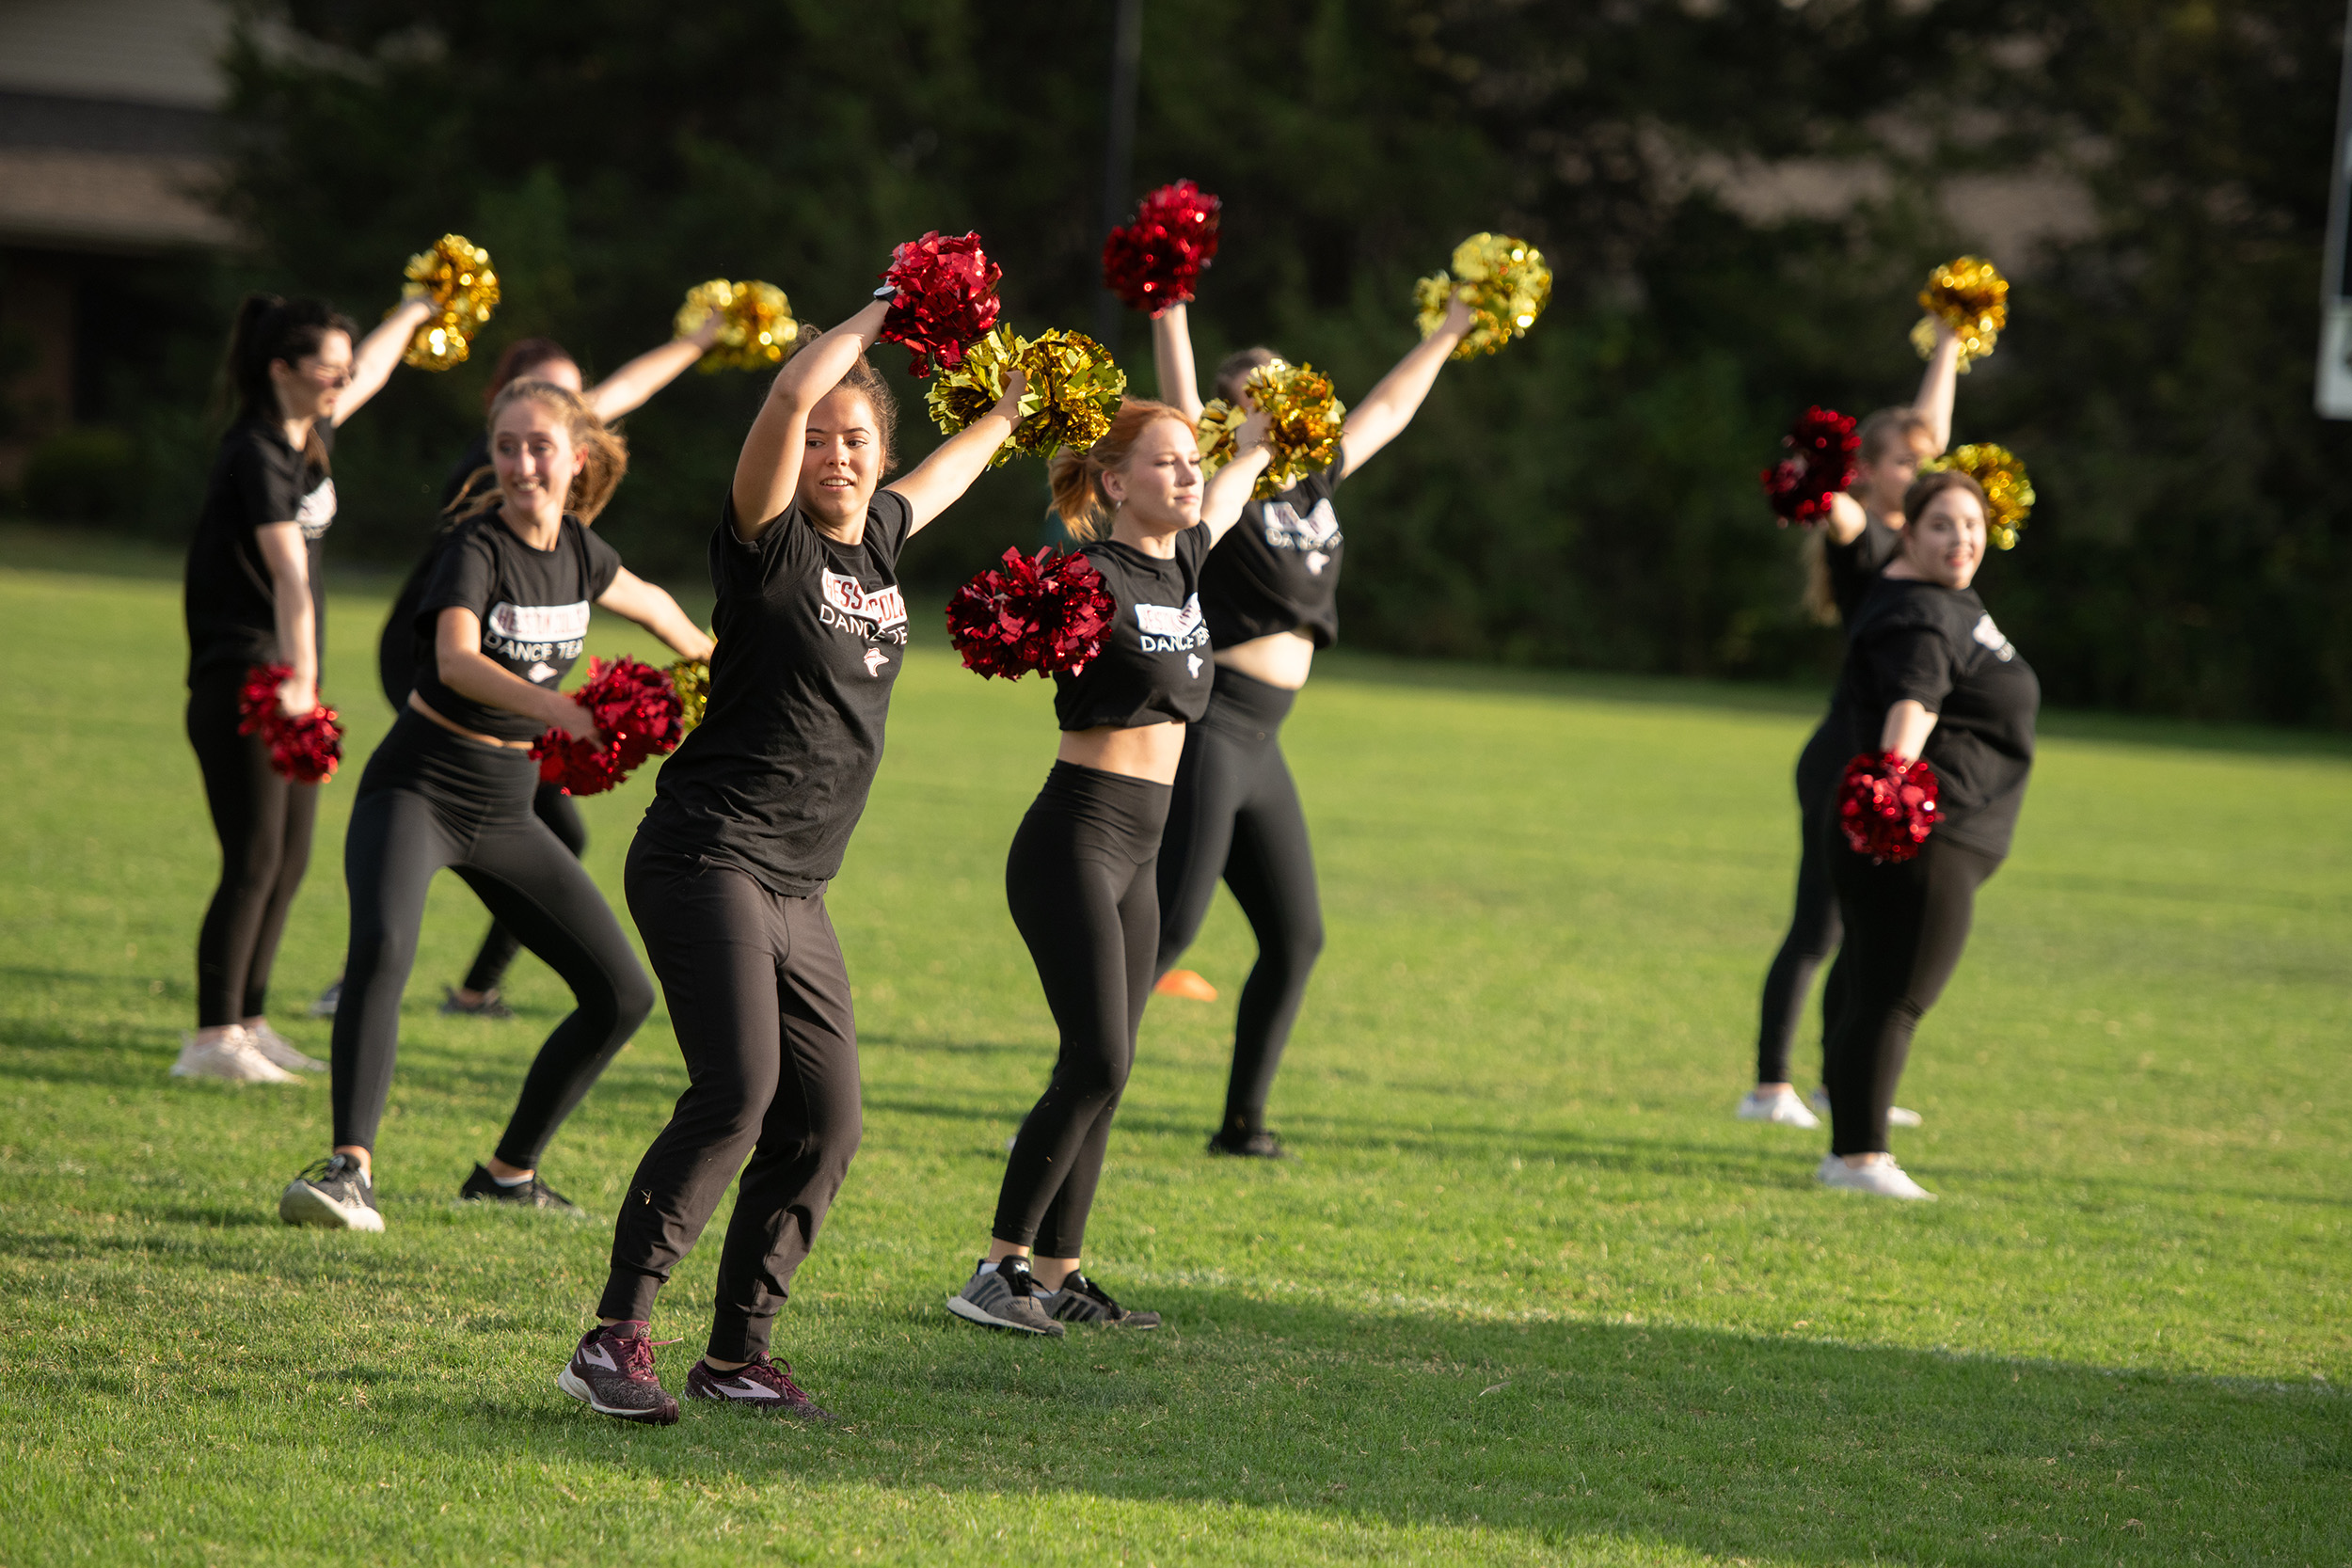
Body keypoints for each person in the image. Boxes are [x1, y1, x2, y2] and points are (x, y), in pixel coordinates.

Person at [558, 292, 1027, 1425]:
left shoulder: (879, 537)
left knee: (827, 1121)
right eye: (820, 438)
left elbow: (953, 472)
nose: (834, 453)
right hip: (707, 852)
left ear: (881, 456)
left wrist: (1013, 411)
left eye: (856, 438)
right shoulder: (766, 545)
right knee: (738, 1093)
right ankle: (612, 1337)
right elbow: (786, 391)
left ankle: (737, 1351)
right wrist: (885, 308)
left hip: (798, 885)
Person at [277, 380, 714, 1230]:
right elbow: (453, 659)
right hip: (418, 786)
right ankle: (347, 1170)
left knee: (620, 992)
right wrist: (563, 710)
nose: (519, 463)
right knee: (383, 949)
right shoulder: (475, 549)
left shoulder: (581, 551)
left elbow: (656, 604)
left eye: (538, 446)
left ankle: (509, 1171)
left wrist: (717, 661)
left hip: (508, 811)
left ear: (575, 458)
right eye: (505, 447)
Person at [946, 400, 1270, 1338]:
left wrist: (1248, 444)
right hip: (1074, 838)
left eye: (1189, 463)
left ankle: (1059, 1271)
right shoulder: (1092, 573)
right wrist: (1021, 621)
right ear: (1116, 482)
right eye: (1165, 464)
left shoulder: (1185, 562)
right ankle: (996, 1264)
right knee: (1097, 1055)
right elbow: (1002, 618)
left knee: (1108, 1069)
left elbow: (1235, 488)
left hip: (1142, 848)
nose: (1186, 475)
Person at [312, 315, 725, 1022]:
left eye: (569, 402)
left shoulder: (564, 511)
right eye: (540, 401)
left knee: (550, 834)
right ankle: (375, 977)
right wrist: (562, 711)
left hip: (507, 677)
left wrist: (696, 340)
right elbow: (455, 656)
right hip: (431, 662)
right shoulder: (499, 478)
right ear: (504, 403)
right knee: (444, 811)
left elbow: (624, 394)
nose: (537, 444)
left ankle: (462, 987)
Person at [1144, 290, 1479, 1157]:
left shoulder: (1318, 476)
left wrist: (1447, 330)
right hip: (1214, 725)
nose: (1281, 401)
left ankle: (1242, 1123)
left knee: (1296, 939)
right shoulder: (1221, 480)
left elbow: (1393, 407)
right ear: (1232, 415)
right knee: (1171, 927)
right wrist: (1170, 302)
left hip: (1266, 742)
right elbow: (1181, 400)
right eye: (1260, 393)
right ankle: (1072, 1100)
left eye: (1285, 388)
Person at [176, 289, 437, 1084]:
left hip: (287, 675)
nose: (341, 379)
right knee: (252, 857)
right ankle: (212, 1036)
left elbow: (375, 376)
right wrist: (302, 683)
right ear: (282, 368)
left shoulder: (305, 433)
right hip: (249, 676)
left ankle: (248, 1023)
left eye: (343, 366)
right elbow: (290, 577)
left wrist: (416, 310)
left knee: (288, 860)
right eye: (328, 367)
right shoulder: (255, 452)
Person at [1740, 320, 1962, 1130]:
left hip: (1883, 756)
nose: (1923, 469)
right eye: (1904, 461)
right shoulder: (1863, 533)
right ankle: (1768, 1085)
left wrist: (1949, 342)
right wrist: (1816, 474)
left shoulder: (1928, 539)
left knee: (1864, 931)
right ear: (1870, 473)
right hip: (1843, 754)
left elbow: (1934, 437)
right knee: (1819, 923)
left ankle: (1838, 1082)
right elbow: (1825, 505)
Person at [1816, 469, 2037, 1199]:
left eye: (1972, 525)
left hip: (1936, 834)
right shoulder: (1921, 615)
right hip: (1924, 835)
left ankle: (1853, 1147)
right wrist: (1891, 793)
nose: (1962, 539)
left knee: (1870, 985)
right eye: (1942, 524)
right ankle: (1858, 1159)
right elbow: (1914, 704)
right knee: (1893, 996)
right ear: (1906, 531)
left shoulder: (1930, 595)